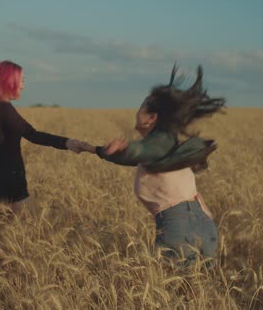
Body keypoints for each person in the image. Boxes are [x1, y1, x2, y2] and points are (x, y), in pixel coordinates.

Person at [88, 64, 226, 267]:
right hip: (203, 223)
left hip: (179, 226)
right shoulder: (167, 143)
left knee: (172, 291)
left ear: (151, 118)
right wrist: (96, 150)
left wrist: (126, 149)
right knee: (196, 292)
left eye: (142, 106)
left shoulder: (158, 143)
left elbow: (141, 152)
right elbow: (137, 156)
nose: (138, 110)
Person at [0, 60, 92, 222]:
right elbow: (32, 134)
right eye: (21, 81)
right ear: (9, 81)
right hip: (9, 179)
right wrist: (67, 143)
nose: (23, 86)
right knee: (29, 229)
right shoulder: (4, 108)